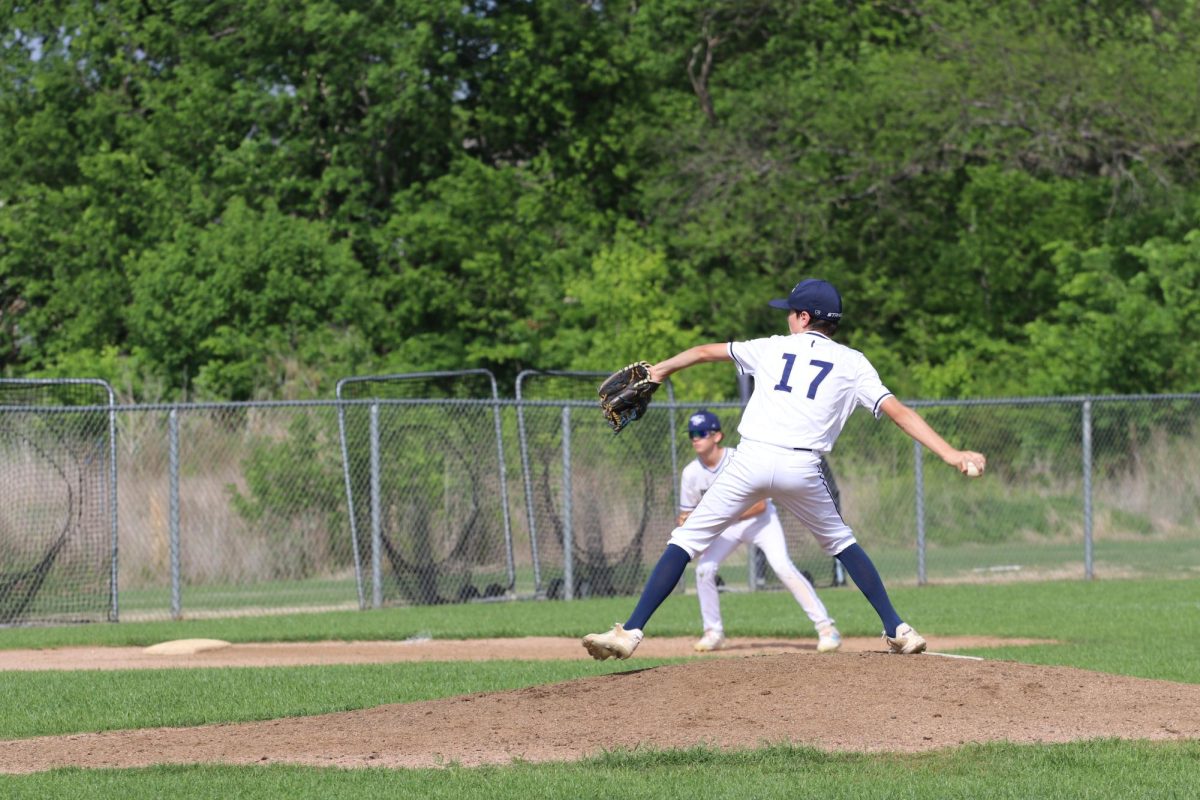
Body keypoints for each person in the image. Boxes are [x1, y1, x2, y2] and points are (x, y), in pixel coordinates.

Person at [583, 278, 987, 660]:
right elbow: (897, 412)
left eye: (791, 311)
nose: (787, 317)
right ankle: (897, 628)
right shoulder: (853, 362)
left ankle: (630, 632)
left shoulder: (773, 347)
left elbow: (706, 351)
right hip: (802, 467)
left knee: (686, 541)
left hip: (751, 459)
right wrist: (950, 453)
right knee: (842, 543)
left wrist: (658, 372)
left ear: (805, 318)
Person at [679, 408, 841, 653]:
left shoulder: (737, 459)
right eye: (692, 433)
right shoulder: (690, 474)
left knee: (782, 567)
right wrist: (685, 520)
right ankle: (713, 633)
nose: (696, 438)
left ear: (717, 436)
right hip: (727, 528)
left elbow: (759, 504)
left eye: (702, 432)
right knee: (704, 569)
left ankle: (826, 628)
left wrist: (713, 516)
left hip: (760, 522)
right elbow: (685, 513)